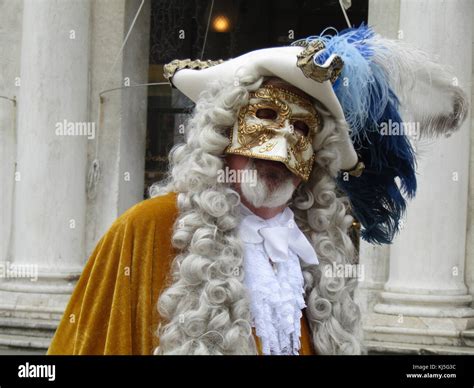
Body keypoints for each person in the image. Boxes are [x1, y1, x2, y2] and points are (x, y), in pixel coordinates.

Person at [47, 25, 467, 355]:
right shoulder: (147, 227)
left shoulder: (313, 249)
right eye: (265, 116)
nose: (281, 146)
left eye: (302, 129)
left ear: (314, 163)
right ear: (225, 131)